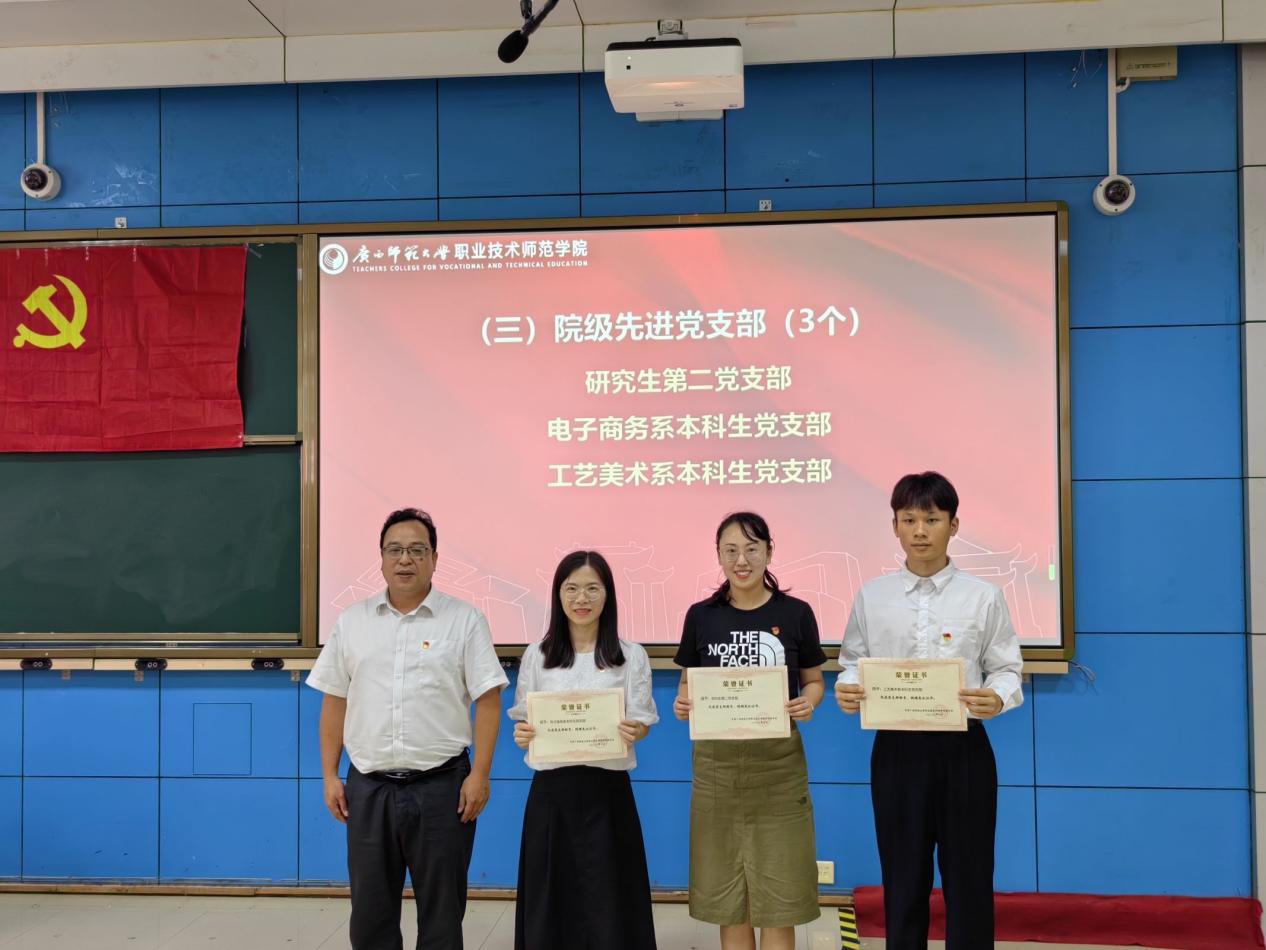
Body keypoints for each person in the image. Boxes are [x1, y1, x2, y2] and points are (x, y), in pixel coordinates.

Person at [835, 472, 1024, 950]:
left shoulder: (983, 596)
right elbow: (852, 661)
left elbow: (1006, 668)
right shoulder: (872, 596)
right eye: (909, 520)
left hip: (964, 751)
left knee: (969, 877)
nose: (920, 531)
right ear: (895, 526)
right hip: (896, 751)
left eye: (932, 520)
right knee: (902, 877)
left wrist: (997, 696)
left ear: (953, 525)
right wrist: (848, 687)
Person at [308, 508, 509, 950]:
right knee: (370, 914)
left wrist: (481, 774)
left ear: (434, 558)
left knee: (442, 914)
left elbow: (489, 699)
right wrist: (329, 775)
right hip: (369, 788)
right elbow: (335, 700)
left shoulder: (464, 619)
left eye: (417, 550)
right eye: (395, 550)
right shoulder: (353, 621)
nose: (405, 560)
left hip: (443, 788)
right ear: (380, 558)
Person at [673, 512, 827, 950]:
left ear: (769, 552)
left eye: (752, 549)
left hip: (778, 770)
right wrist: (683, 703)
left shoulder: (795, 613)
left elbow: (815, 681)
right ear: (719, 556)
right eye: (731, 550)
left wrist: (808, 702)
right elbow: (686, 683)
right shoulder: (701, 616)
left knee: (781, 896)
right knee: (729, 897)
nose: (741, 560)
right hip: (717, 770)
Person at [508, 550, 659, 950]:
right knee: (551, 898)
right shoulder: (538, 655)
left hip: (607, 793)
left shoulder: (630, 655)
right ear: (558, 595)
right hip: (551, 794)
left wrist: (636, 730)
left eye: (593, 588)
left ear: (608, 595)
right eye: (571, 588)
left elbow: (642, 721)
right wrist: (523, 735)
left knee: (610, 898)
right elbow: (524, 721)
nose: (582, 598)